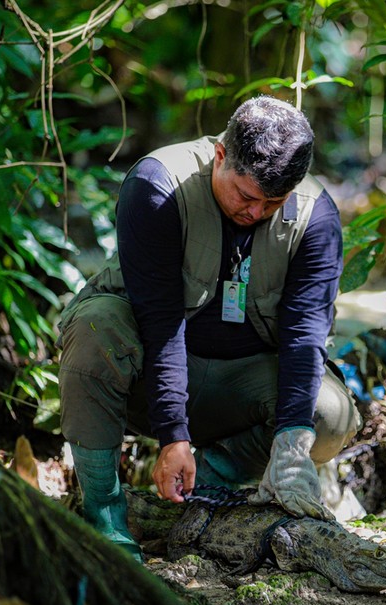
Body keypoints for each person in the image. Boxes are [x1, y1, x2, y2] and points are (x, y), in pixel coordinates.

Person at [56, 96, 361, 561]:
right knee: (95, 328)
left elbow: (305, 335)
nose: (255, 213)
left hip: (242, 386)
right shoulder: (158, 185)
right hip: (145, 374)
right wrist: (173, 435)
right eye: (245, 195)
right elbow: (160, 321)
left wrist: (292, 443)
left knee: (331, 414)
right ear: (221, 155)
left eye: (273, 202)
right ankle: (104, 517)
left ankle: (206, 480)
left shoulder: (315, 216)